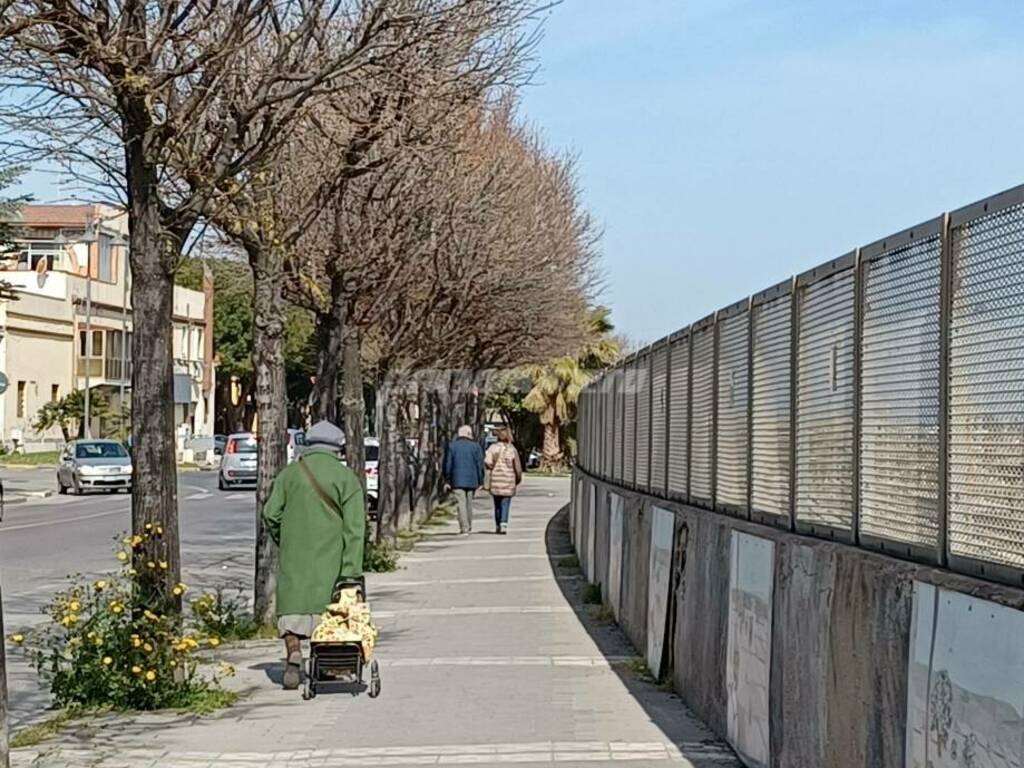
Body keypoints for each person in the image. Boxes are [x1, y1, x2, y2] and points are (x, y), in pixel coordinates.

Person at [262, 420, 366, 690]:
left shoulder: (289, 475)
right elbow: (355, 528)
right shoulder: (346, 478)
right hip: (332, 558)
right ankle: (327, 665)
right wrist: (351, 569)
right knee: (328, 613)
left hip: (295, 554)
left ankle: (293, 653)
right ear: (337, 448)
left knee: (293, 610)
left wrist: (284, 538)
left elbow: (270, 514)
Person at [444, 425, 485, 535]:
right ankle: (469, 525)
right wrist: (481, 481)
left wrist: (447, 479)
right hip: (472, 480)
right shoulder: (475, 447)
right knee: (469, 504)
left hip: (457, 479)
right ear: (469, 434)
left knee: (461, 503)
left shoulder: (452, 446)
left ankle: (464, 527)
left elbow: (448, 464)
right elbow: (479, 464)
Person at [484, 427, 523, 535]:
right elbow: (518, 468)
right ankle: (503, 524)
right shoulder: (512, 450)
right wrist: (517, 479)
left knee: (497, 504)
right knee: (505, 503)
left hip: (496, 480)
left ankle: (497, 524)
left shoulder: (493, 448)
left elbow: (488, 462)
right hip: (508, 481)